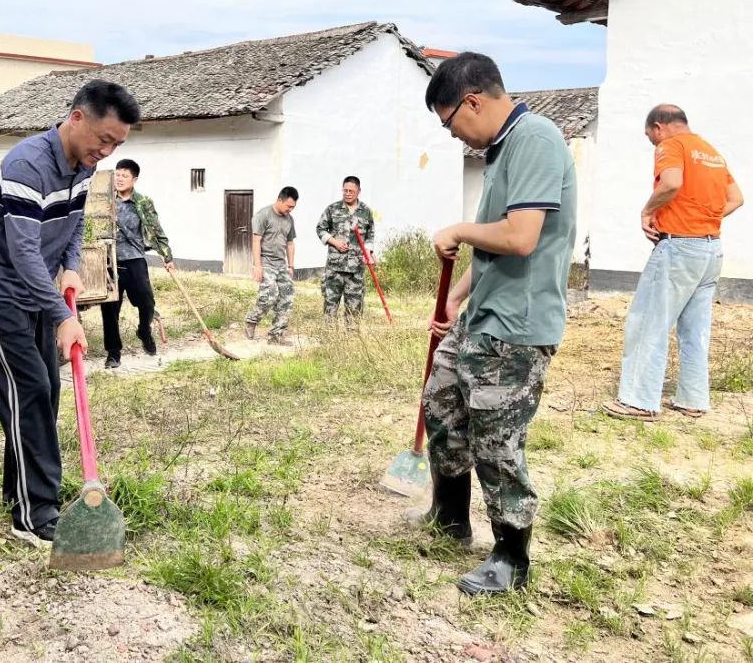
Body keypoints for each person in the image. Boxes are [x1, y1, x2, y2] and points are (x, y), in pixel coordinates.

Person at [410, 52, 576, 596]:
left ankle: (511, 557)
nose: (454, 135)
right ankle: (450, 516)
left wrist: (458, 228)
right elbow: (493, 249)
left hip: (516, 325)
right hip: (483, 313)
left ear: (473, 102)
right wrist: (458, 295)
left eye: (450, 121)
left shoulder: (536, 139)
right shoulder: (503, 150)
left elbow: (521, 237)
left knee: (496, 439)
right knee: (441, 404)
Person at [0, 79, 139, 547]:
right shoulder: (28, 163)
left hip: (38, 291)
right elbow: (21, 251)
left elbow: (76, 220)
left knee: (44, 392)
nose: (107, 152)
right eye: (104, 140)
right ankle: (33, 514)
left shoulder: (82, 166)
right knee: (31, 392)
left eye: (117, 145)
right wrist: (63, 316)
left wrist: (72, 268)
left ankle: (17, 493)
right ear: (77, 118)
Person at [602, 105, 742, 421]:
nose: (651, 141)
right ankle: (693, 401)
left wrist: (647, 212)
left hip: (679, 248)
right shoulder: (711, 152)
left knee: (648, 322)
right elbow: (736, 198)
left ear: (660, 126)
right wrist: (702, 218)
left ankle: (638, 401)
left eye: (650, 135)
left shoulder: (672, 146)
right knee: (695, 329)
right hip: (710, 250)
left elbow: (671, 183)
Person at [100, 158, 174, 369]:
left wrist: (167, 257)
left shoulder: (142, 202)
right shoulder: (105, 201)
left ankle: (144, 330)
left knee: (146, 300)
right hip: (109, 260)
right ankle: (113, 352)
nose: (120, 179)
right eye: (117, 175)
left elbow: (157, 231)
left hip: (134, 259)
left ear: (134, 179)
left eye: (125, 175)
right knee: (110, 308)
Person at [316, 176, 375, 324]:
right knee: (330, 304)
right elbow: (320, 229)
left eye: (351, 191)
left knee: (354, 307)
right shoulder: (332, 209)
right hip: (334, 267)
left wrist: (368, 253)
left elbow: (370, 235)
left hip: (356, 269)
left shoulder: (366, 212)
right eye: (345, 190)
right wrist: (334, 242)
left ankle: (352, 339)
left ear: (358, 191)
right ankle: (329, 338)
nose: (348, 193)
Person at [244, 187, 298, 345]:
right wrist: (257, 266)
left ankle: (276, 335)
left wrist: (291, 266)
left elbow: (290, 243)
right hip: (266, 262)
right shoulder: (263, 215)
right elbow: (256, 241)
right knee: (270, 295)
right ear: (279, 200)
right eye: (288, 206)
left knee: (287, 297)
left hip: (281, 265)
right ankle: (251, 320)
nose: (290, 210)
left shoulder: (289, 220)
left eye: (293, 207)